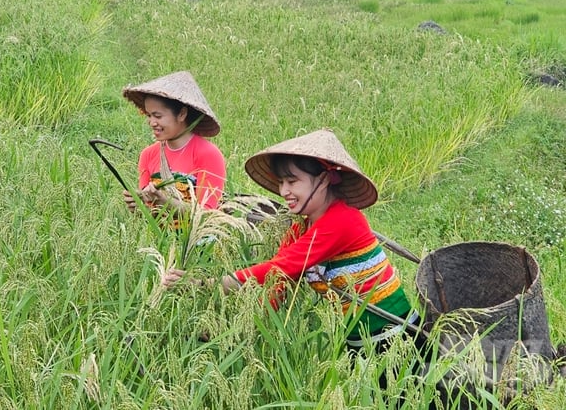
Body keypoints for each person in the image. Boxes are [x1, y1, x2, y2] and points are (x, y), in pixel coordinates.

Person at [162, 128, 421, 351]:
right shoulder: (302, 226)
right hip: (357, 338)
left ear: (325, 179)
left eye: (292, 181)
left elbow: (275, 269)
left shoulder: (343, 221)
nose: (284, 191)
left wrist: (203, 284)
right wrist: (234, 329)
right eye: (281, 182)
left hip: (395, 335)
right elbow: (279, 282)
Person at [121, 70, 227, 216]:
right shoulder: (148, 155)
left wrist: (166, 202)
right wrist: (137, 206)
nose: (152, 122)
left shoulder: (207, 154)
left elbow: (206, 214)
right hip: (158, 237)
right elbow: (148, 212)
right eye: (148, 115)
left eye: (158, 116)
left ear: (182, 114)